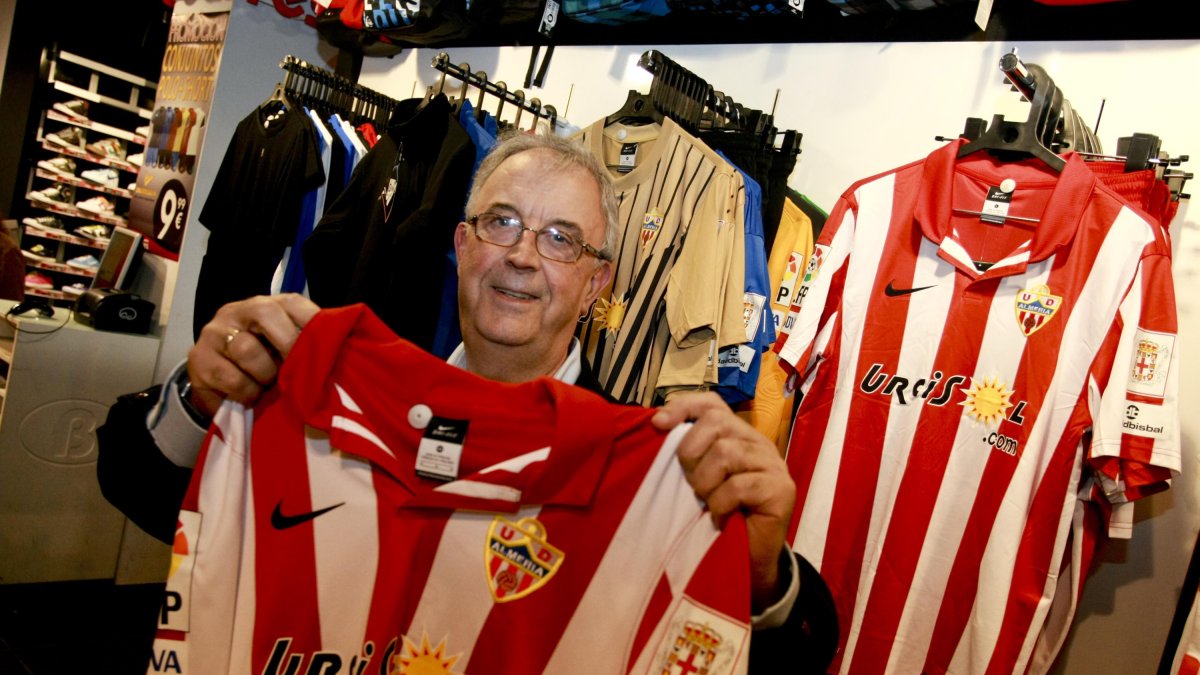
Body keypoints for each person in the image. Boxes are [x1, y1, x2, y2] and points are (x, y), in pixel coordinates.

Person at [97, 131, 836, 671]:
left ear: (596, 284)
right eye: (501, 222)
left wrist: (765, 575)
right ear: (460, 243)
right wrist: (200, 397)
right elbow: (134, 480)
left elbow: (783, 655)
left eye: (560, 239)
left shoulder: (648, 469)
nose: (521, 255)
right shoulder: (330, 387)